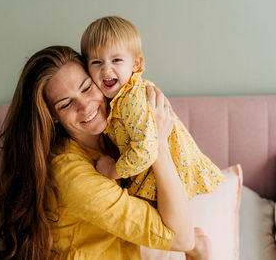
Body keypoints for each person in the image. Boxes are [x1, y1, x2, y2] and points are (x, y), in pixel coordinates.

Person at [0, 45, 211, 259]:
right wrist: (158, 146)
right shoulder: (72, 174)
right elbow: (182, 240)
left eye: (86, 88)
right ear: (53, 116)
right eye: (66, 104)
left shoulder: (122, 135)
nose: (85, 107)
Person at [80, 16, 224, 201]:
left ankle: (192, 231)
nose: (106, 70)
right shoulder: (116, 99)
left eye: (116, 60)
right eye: (97, 62)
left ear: (135, 64)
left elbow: (145, 151)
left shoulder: (132, 99)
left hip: (167, 175)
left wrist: (112, 170)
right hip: (154, 176)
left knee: (160, 226)